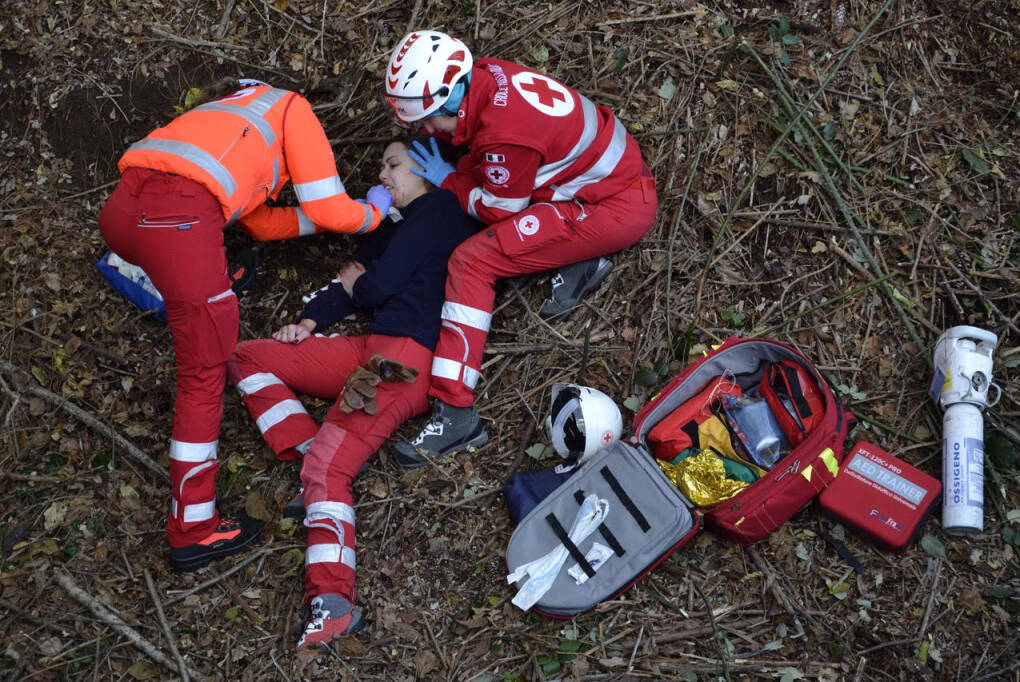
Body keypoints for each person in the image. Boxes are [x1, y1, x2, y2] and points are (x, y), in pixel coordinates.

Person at [98, 78, 394, 572]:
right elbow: (329, 207)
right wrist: (372, 213)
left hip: (124, 217)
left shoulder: (223, 119)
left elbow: (259, 223)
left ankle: (202, 290)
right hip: (177, 224)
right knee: (203, 375)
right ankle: (193, 530)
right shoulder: (290, 109)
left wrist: (320, 220)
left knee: (200, 293)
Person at [226, 138, 478, 647]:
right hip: (369, 345)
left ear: (431, 171)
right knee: (246, 356)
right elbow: (351, 284)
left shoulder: (443, 209)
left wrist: (360, 281)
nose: (382, 176)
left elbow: (372, 285)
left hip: (402, 361)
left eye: (393, 165)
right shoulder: (399, 226)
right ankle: (308, 451)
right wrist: (309, 320)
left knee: (329, 471)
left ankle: (333, 603)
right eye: (381, 167)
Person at [383, 31, 659, 467]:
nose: (428, 130)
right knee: (474, 177)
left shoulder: (504, 134)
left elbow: (499, 208)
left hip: (610, 205)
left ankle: (456, 413)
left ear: (451, 96)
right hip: (603, 179)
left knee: (472, 263)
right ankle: (579, 258)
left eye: (432, 119)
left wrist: (451, 180)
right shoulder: (489, 76)